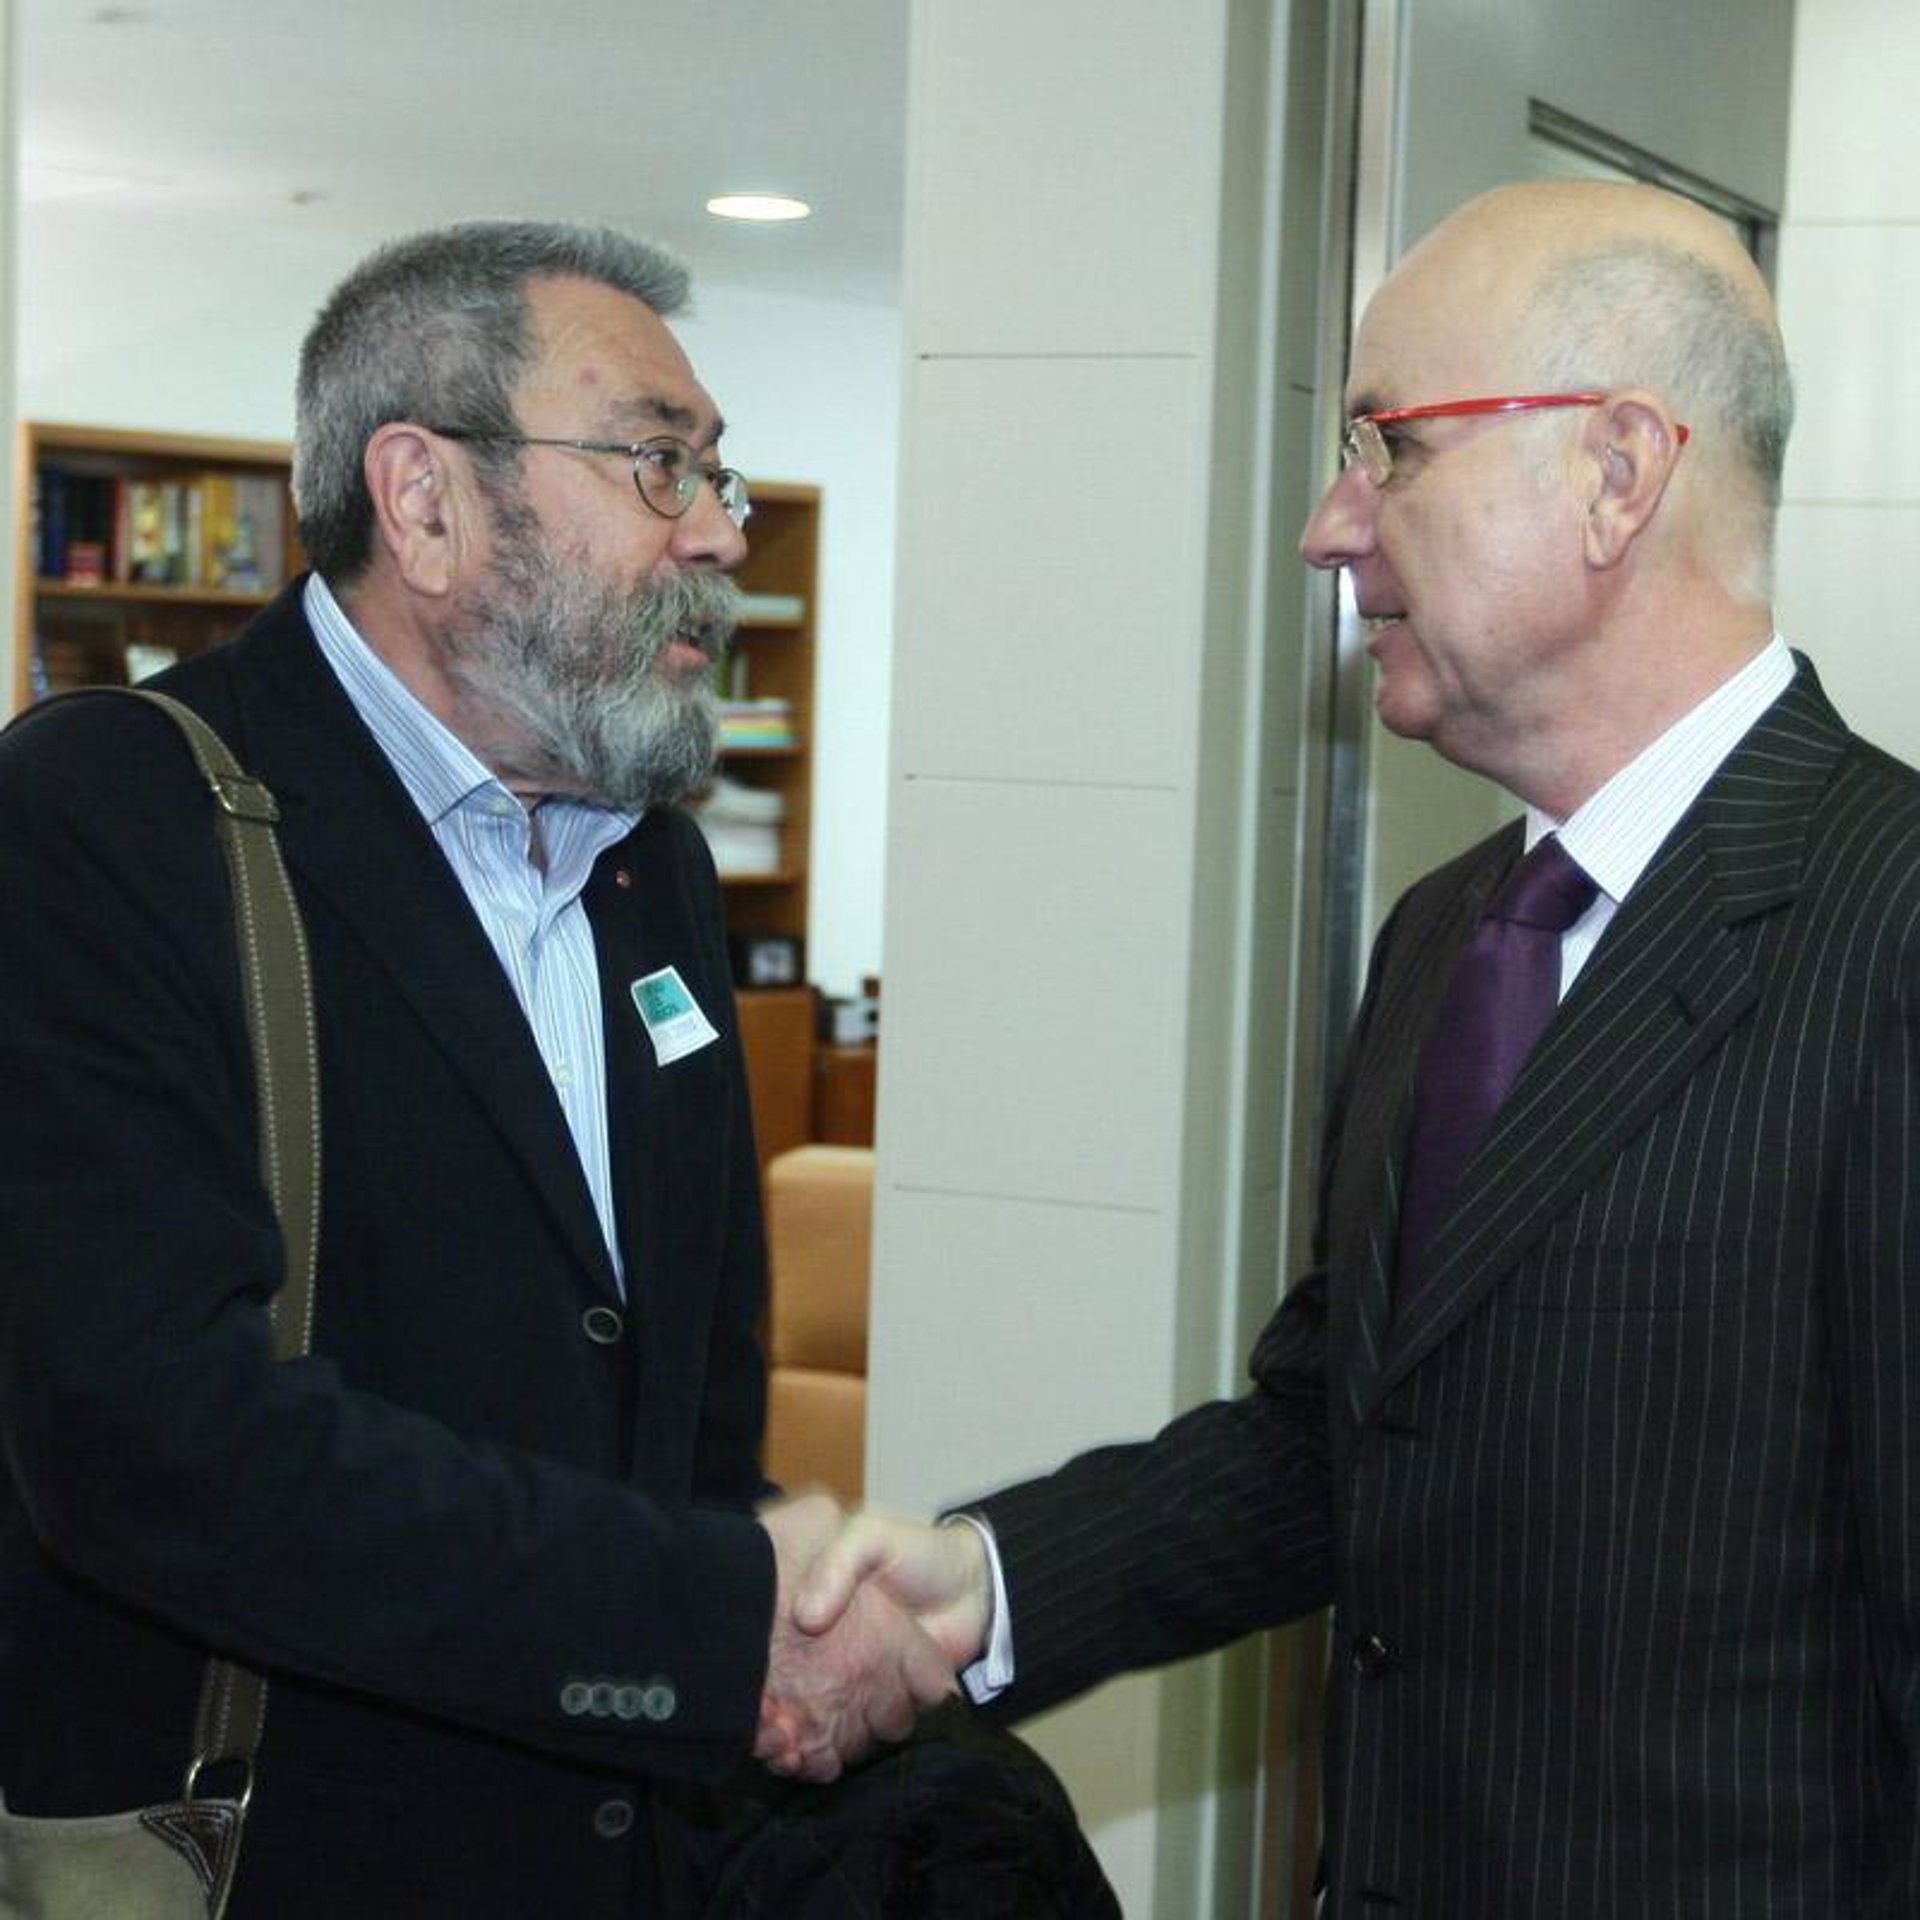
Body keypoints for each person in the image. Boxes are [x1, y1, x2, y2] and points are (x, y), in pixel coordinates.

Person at [790, 178, 1920, 1914]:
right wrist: (982, 1589)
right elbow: (1343, 1437)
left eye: (1392, 446)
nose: (1331, 527)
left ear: (1619, 471)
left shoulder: (1887, 931)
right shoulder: (1450, 934)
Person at [0, 221, 950, 1918]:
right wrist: (705, 1616)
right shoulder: (107, 820)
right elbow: (152, 1437)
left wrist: (770, 1623)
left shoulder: (656, 868)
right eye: (658, 462)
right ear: (425, 501)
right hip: (284, 1863)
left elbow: (690, 1393)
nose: (721, 532)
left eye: (716, 472)